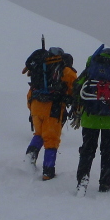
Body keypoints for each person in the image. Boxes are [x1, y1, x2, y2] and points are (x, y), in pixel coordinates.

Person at [72, 45, 110, 194]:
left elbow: (76, 87)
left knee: (87, 151)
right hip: (109, 119)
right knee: (107, 152)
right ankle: (105, 184)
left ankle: (82, 181)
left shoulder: (91, 68)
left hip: (89, 117)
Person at [23, 47, 78, 180]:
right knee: (51, 139)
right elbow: (74, 91)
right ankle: (48, 172)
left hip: (35, 106)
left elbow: (31, 92)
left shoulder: (39, 67)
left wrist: (32, 108)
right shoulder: (66, 70)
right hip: (53, 108)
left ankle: (30, 156)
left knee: (39, 133)